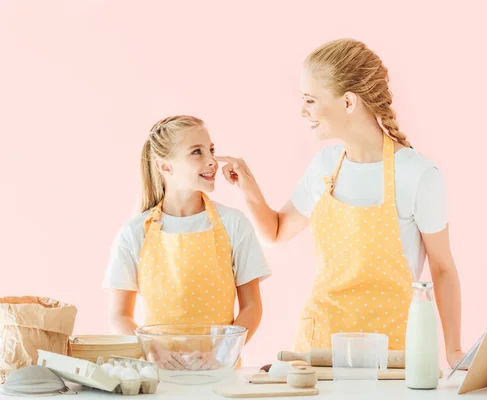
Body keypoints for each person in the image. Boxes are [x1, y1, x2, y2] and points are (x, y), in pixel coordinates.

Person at [216, 39, 465, 368]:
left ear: (348, 102)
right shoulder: (324, 166)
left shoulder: (419, 175)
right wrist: (248, 186)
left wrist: (453, 352)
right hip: (320, 350)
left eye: (310, 100)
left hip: (393, 352)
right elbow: (275, 232)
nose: (302, 111)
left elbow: (443, 269)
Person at [103, 115, 271, 370]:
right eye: (197, 152)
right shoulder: (135, 232)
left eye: (211, 150)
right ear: (165, 167)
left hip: (220, 375)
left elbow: (252, 307)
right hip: (159, 377)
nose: (211, 161)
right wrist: (150, 349)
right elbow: (119, 315)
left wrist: (220, 354)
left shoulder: (233, 224)